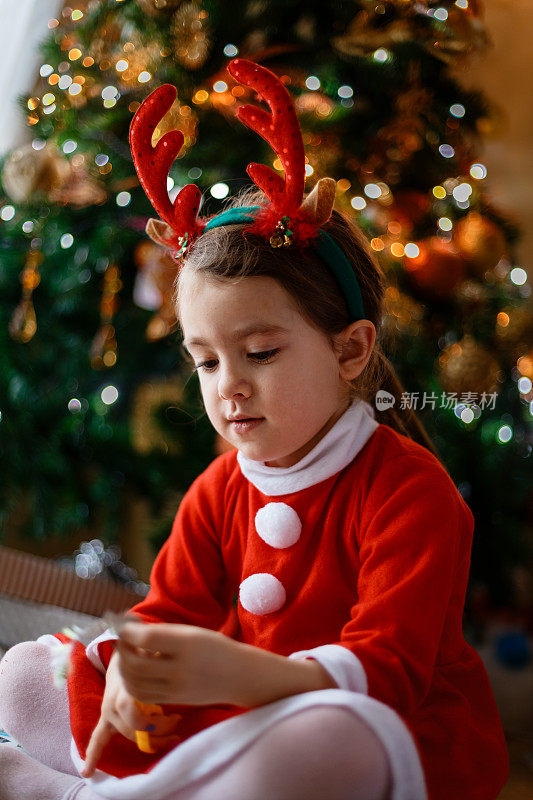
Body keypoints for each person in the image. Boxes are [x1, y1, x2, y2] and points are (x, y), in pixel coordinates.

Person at [0, 59, 509, 800]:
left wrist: (245, 675)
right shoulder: (218, 488)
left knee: (323, 738)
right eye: (204, 362)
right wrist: (128, 663)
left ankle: (80, 792)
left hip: (378, 732)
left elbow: (387, 673)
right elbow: (169, 613)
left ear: (350, 350)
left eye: (260, 353)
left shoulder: (407, 489)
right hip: (231, 716)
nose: (227, 387)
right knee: (26, 673)